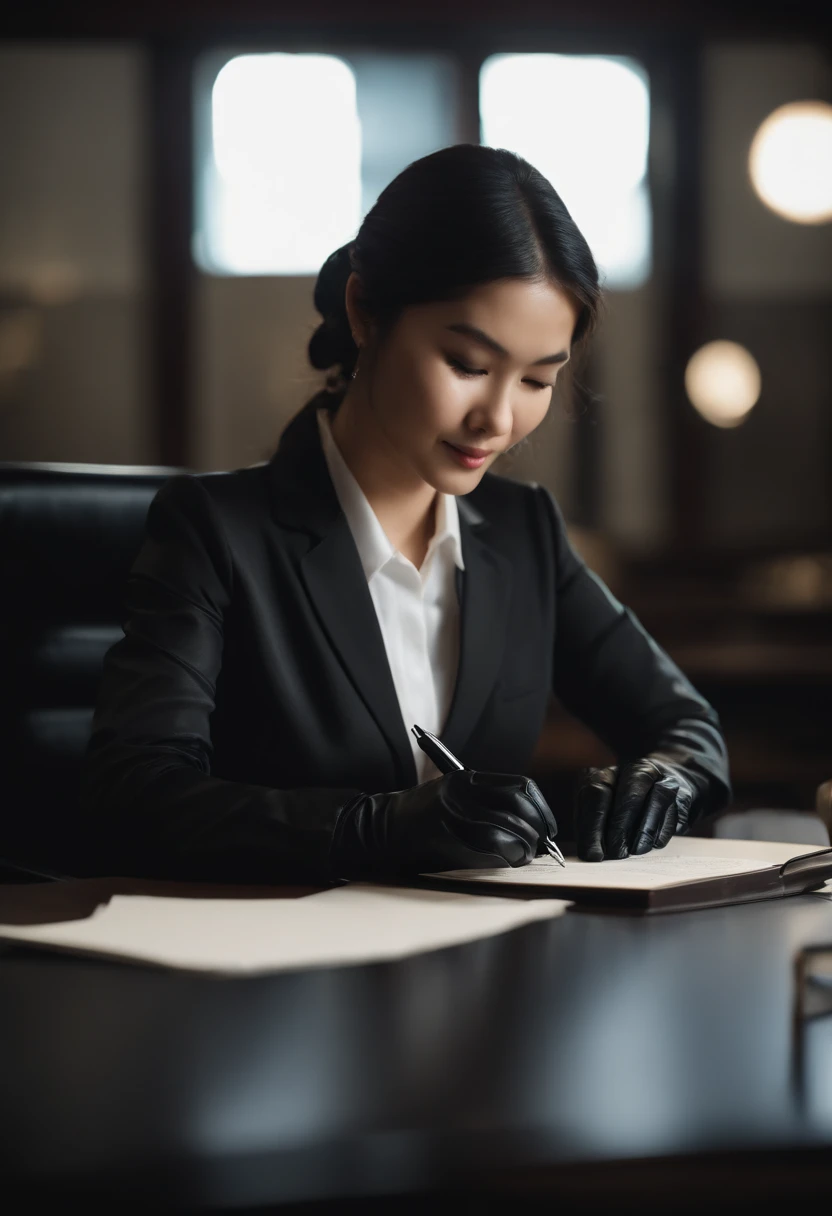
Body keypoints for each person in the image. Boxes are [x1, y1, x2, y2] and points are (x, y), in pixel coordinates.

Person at [81, 144, 731, 883]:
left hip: (484, 976)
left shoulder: (525, 534)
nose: (496, 418)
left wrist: (666, 781)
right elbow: (131, 798)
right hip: (274, 981)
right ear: (365, 312)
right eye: (468, 366)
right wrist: (374, 827)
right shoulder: (214, 531)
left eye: (537, 380)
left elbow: (687, 730)